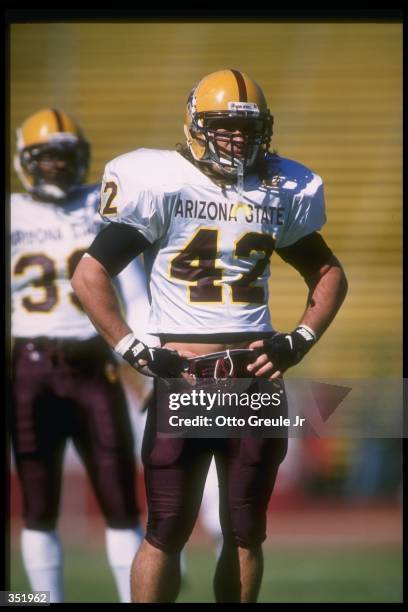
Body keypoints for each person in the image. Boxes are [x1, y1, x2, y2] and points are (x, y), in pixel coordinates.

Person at [71, 69, 348, 603]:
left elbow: (329, 273)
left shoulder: (278, 188)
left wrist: (300, 339)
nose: (238, 139)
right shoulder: (162, 182)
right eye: (225, 127)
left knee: (246, 531)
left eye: (248, 129)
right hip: (187, 379)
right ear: (198, 125)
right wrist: (132, 345)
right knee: (166, 529)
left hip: (253, 382)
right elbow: (90, 274)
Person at [10, 108, 143, 603]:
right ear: (27, 162)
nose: (58, 167)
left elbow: (133, 287)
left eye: (66, 158)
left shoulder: (100, 205)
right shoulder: (14, 210)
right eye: (46, 159)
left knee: (121, 502)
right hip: (30, 369)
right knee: (38, 506)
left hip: (94, 364)